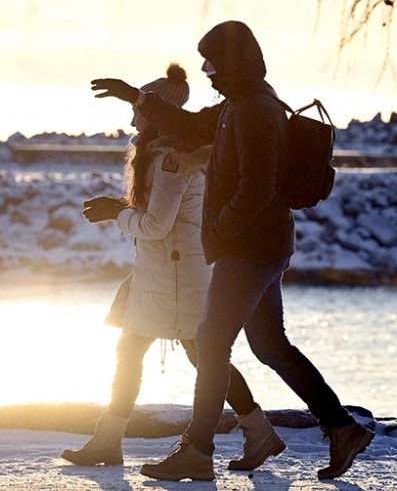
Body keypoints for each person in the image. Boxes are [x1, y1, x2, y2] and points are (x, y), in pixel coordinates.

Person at [91, 21, 374, 482]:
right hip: (262, 244)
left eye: (213, 62)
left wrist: (219, 231)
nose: (206, 70)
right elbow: (187, 126)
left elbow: (257, 188)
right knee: (269, 346)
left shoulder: (254, 112)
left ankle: (197, 451)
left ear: (234, 63)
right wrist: (137, 97)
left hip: (250, 249)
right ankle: (341, 426)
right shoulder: (238, 105)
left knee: (210, 342)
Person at [62, 63, 284, 474]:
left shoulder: (171, 160)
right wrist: (123, 210)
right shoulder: (165, 154)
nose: (132, 118)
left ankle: (256, 431)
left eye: (138, 110)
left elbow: (156, 225)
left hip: (175, 276)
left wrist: (116, 212)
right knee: (161, 352)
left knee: (200, 356)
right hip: (166, 272)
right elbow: (157, 220)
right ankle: (111, 440)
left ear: (158, 113)